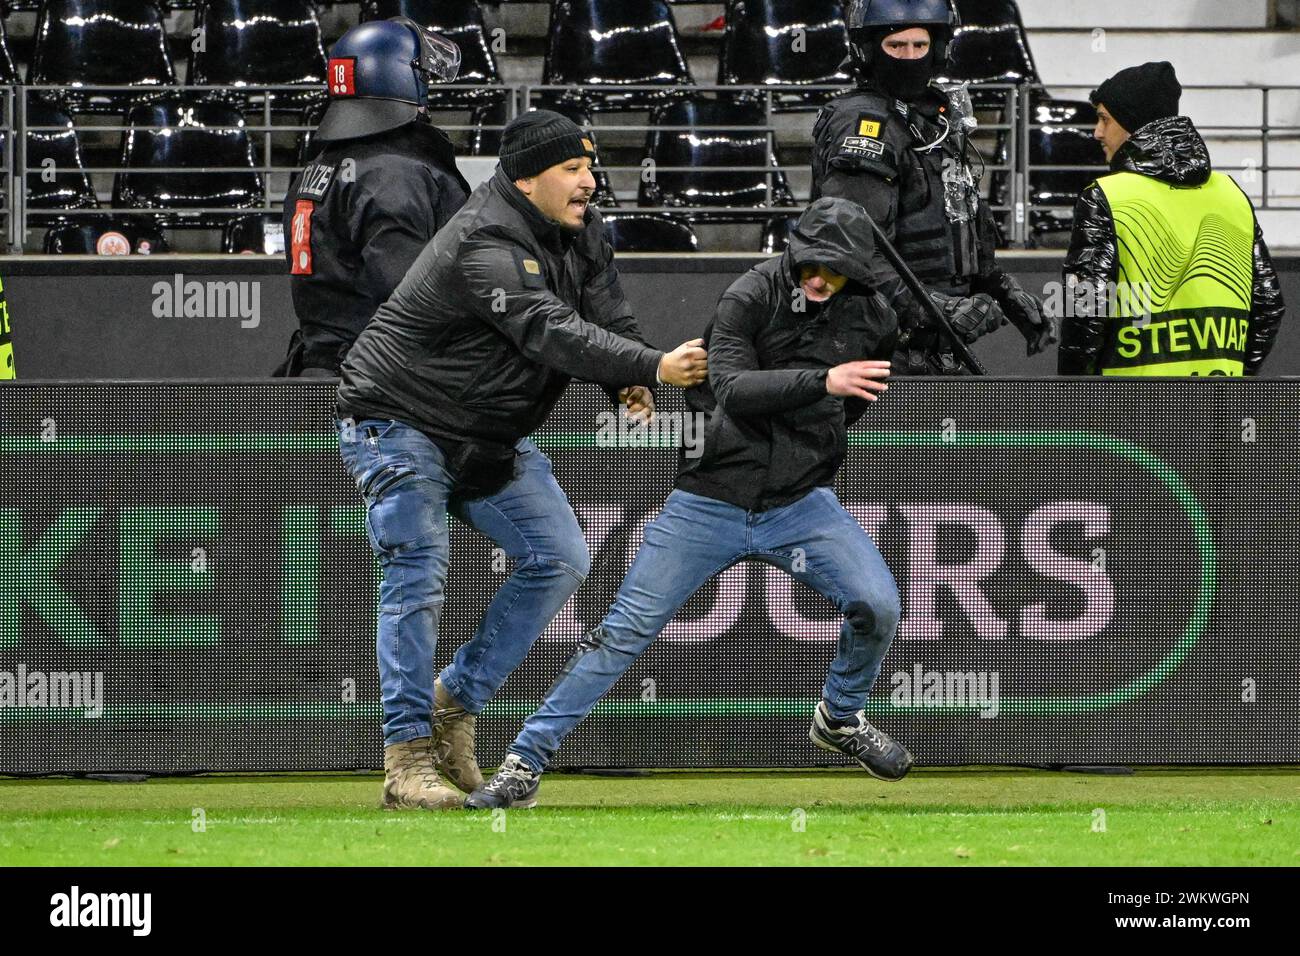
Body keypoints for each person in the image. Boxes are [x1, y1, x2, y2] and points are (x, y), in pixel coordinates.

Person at [466, 197, 911, 810]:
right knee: (621, 633)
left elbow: (855, 403)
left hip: (801, 501)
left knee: (878, 603)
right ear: (792, 251)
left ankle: (839, 718)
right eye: (811, 263)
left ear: (857, 268)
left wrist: (816, 436)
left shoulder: (874, 316)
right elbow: (732, 389)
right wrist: (821, 382)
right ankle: (525, 761)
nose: (818, 277)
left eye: (834, 269)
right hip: (709, 500)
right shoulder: (748, 297)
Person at [335, 109, 710, 810]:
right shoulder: (484, 240)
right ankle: (407, 757)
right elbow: (547, 329)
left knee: (561, 555)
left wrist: (625, 376)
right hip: (398, 420)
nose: (589, 182)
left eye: (590, 167)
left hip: (488, 436)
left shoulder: (581, 232)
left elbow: (605, 312)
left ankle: (456, 703)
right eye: (573, 170)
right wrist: (656, 365)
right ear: (525, 177)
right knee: (417, 572)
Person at [812, 0, 1056, 374]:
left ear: (938, 50)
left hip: (936, 346)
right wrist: (935, 309)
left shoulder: (933, 121)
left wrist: (1003, 291)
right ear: (867, 50)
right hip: (876, 350)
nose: (909, 57)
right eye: (895, 46)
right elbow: (853, 249)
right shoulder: (863, 124)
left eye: (919, 46)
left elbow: (956, 221)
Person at [1059, 61, 1286, 376]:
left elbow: (1085, 309)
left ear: (1132, 123)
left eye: (1104, 119)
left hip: (1130, 410)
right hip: (1215, 405)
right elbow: (1269, 306)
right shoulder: (1232, 194)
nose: (1097, 132)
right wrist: (1238, 377)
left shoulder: (1105, 196)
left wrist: (1072, 394)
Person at [275, 18, 471, 377]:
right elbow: (410, 297)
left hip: (322, 367)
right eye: (423, 78)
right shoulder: (393, 173)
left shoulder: (318, 168)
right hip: (381, 389)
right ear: (401, 81)